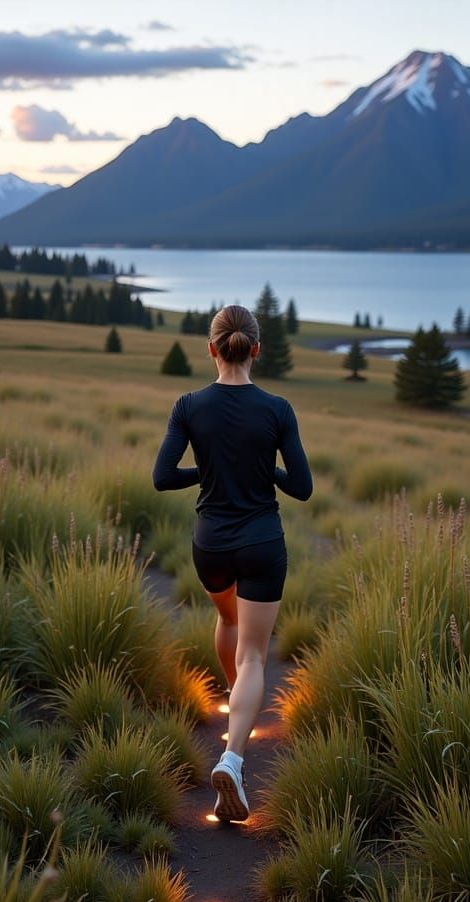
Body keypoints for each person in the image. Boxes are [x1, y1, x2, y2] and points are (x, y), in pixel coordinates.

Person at [151, 304, 313, 822]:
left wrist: (209, 469)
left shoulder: (188, 405)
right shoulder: (278, 408)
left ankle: (234, 712)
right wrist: (266, 470)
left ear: (212, 348)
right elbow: (303, 488)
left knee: (226, 620)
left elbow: (162, 477)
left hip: (211, 544)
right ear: (256, 350)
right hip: (262, 542)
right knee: (254, 658)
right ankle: (234, 756)